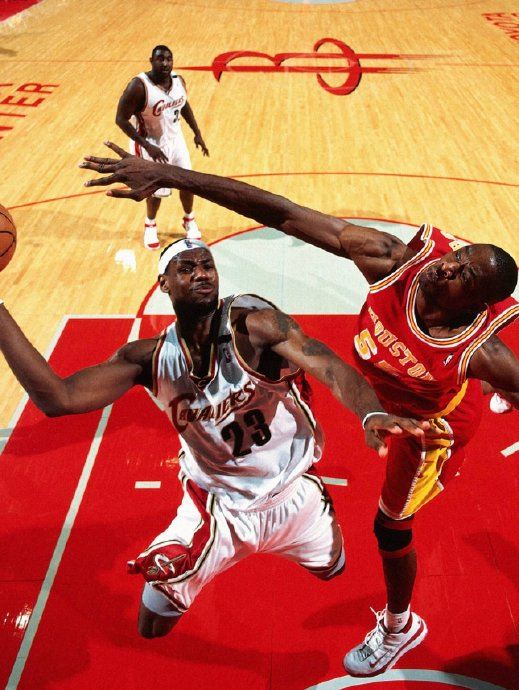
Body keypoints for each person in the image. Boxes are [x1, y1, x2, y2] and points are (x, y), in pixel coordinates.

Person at [79, 142, 519, 674]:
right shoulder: (394, 261)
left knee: (390, 529)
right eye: (455, 257)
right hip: (385, 396)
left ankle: (399, 626)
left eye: (461, 276)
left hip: (428, 425)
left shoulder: (485, 352)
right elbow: (282, 213)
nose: (444, 268)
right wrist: (171, 175)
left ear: (476, 305)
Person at [0, 237, 429, 640]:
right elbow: (58, 398)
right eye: (186, 268)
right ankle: (202, 551)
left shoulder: (256, 327)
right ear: (164, 284)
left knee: (333, 568)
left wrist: (369, 411)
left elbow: (330, 367)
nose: (201, 273)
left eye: (207, 265)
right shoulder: (148, 359)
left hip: (293, 491)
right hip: (217, 504)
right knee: (151, 624)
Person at [115, 44, 209, 250]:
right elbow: (120, 119)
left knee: (188, 182)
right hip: (151, 143)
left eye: (168, 59)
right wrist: (147, 146)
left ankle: (189, 219)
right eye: (160, 59)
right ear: (151, 61)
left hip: (176, 139)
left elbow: (184, 105)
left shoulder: (178, 81)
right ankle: (150, 224)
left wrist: (197, 133)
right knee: (156, 189)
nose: (165, 63)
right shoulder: (138, 86)